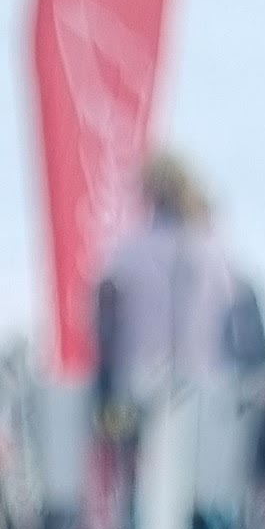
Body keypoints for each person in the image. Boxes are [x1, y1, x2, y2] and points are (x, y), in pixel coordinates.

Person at [95, 156, 238, 411]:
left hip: (140, 386)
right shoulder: (212, 251)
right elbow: (230, 317)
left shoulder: (130, 252)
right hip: (204, 388)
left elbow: (104, 322)